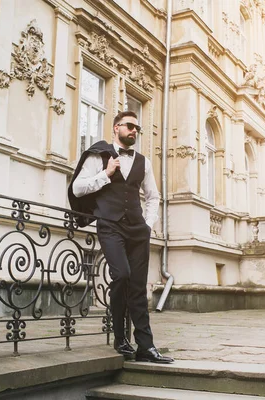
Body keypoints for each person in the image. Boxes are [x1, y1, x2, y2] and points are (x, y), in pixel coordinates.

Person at [68, 110, 174, 364]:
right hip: (110, 225)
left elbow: (153, 196)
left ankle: (146, 346)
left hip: (138, 229)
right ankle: (119, 336)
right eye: (129, 126)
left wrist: (148, 224)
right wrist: (105, 174)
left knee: (138, 287)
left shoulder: (143, 162)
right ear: (116, 128)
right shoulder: (98, 155)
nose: (134, 131)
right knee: (122, 275)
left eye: (137, 128)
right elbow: (77, 188)